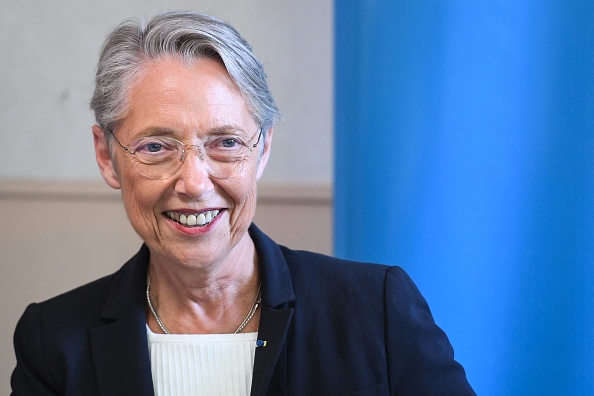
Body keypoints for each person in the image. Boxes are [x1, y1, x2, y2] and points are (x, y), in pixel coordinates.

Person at [10, 10, 475, 396]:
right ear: (106, 156)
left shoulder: (376, 312)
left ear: (263, 148)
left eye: (225, 142)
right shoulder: (52, 341)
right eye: (156, 147)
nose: (193, 182)